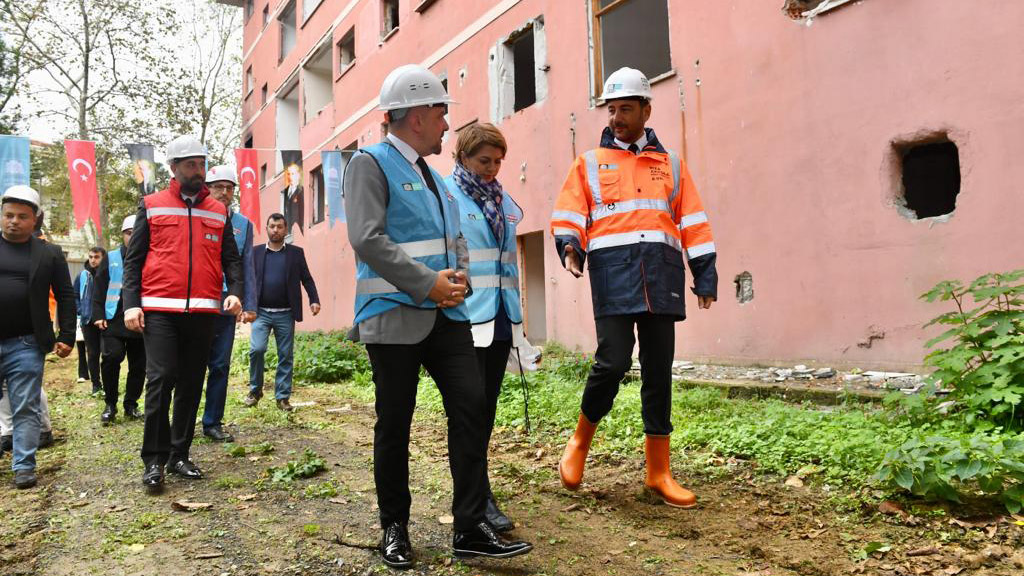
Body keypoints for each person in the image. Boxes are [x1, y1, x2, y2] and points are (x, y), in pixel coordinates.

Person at [344, 64, 532, 569]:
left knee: (473, 407)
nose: (448, 124)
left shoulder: (436, 178)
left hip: (448, 318)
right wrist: (427, 283)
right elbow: (366, 237)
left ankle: (469, 527)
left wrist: (460, 280)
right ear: (418, 114)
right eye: (441, 112)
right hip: (393, 315)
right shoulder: (369, 164)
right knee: (396, 423)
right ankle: (394, 528)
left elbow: (455, 241)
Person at [550, 67, 718, 508]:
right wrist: (570, 247)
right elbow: (569, 212)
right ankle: (580, 441)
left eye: (626, 108)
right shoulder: (589, 162)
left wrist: (705, 273)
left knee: (659, 369)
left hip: (661, 276)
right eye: (611, 109)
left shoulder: (671, 165)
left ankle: (658, 472)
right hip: (614, 275)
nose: (617, 117)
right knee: (613, 361)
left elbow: (694, 222)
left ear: (646, 108)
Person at [121, 135, 243, 491]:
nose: (198, 171)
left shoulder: (219, 211)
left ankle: (179, 454)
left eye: (202, 164)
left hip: (204, 311)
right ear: (173, 168)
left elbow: (231, 259)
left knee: (191, 381)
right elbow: (135, 260)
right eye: (190, 165)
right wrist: (132, 303)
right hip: (160, 309)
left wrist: (235, 293)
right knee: (161, 379)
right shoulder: (153, 204)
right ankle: (153, 460)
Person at [444, 123, 528, 533]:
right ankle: (476, 503)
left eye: (498, 161)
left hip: (498, 320)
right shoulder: (445, 196)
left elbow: (506, 263)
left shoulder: (502, 200)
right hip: (461, 320)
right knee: (468, 414)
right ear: (462, 156)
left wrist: (517, 321)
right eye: (484, 161)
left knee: (486, 412)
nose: (493, 168)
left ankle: (480, 493)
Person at [0, 185, 75, 488]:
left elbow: (66, 296)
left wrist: (67, 334)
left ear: (35, 220)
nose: (13, 221)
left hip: (27, 342)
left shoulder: (49, 253)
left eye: (21, 216)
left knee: (26, 405)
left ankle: (23, 466)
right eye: (8, 215)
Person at [201, 165, 257, 442]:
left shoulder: (243, 224)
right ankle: (183, 420)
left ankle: (212, 421)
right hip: (198, 300)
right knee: (191, 364)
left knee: (220, 364)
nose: (224, 192)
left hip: (227, 302)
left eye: (229, 187)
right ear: (207, 187)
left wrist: (250, 304)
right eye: (218, 186)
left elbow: (248, 266)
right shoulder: (197, 216)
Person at [244, 213, 319, 412]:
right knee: (256, 350)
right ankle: (255, 390)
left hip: (285, 313)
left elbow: (307, 279)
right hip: (261, 312)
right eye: (272, 226)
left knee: (285, 355)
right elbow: (248, 280)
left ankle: (283, 397)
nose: (275, 230)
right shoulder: (256, 252)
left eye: (279, 226)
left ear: (286, 230)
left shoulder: (296, 253)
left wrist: (314, 300)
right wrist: (245, 305)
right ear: (267, 228)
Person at [91, 215, 146, 424]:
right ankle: (110, 403)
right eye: (128, 233)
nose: (132, 237)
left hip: (140, 319)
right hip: (113, 319)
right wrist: (98, 316)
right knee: (112, 358)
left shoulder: (150, 256)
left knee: (139, 365)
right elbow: (99, 288)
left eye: (136, 232)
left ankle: (131, 405)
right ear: (123, 235)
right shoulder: (111, 258)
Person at [74, 246, 105, 394]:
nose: (93, 260)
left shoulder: (108, 274)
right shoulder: (82, 276)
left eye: (97, 257)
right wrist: (81, 311)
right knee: (92, 353)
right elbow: (74, 296)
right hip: (88, 320)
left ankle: (108, 383)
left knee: (107, 354)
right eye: (91, 256)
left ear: (103, 258)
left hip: (106, 320)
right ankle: (96, 385)